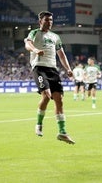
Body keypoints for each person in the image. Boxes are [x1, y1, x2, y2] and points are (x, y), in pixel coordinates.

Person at [24, 11, 75, 144]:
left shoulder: (55, 37)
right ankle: (39, 124)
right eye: (47, 20)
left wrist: (68, 69)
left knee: (59, 100)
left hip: (53, 69)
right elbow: (27, 44)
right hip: (39, 67)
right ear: (40, 21)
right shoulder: (34, 33)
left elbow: (61, 54)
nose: (49, 22)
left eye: (51, 20)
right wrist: (35, 50)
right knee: (46, 96)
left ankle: (62, 132)